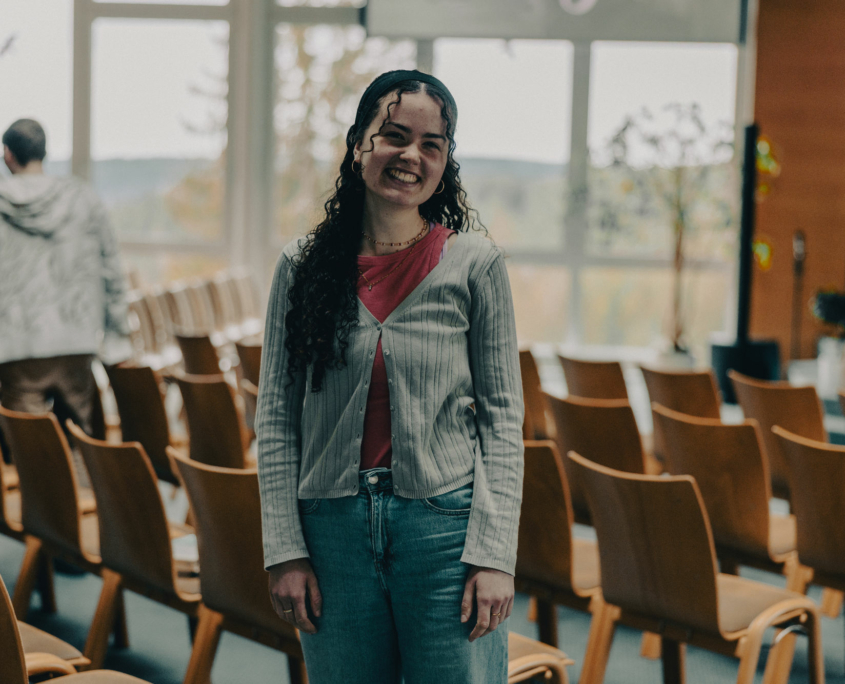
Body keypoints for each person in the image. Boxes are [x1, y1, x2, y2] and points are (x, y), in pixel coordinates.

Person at [256, 70, 524, 683]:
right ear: (359, 145)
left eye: (432, 145)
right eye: (395, 136)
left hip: (444, 533)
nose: (411, 156)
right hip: (332, 533)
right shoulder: (301, 268)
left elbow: (505, 421)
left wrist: (493, 555)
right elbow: (275, 415)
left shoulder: (474, 265)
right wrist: (285, 549)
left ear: (446, 162)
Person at [0, 118, 130, 439]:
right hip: (76, 338)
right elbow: (111, 270)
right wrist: (117, 335)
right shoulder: (82, 198)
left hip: (17, 345)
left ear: (7, 155)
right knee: (81, 445)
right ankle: (81, 487)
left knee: (31, 451)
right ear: (44, 152)